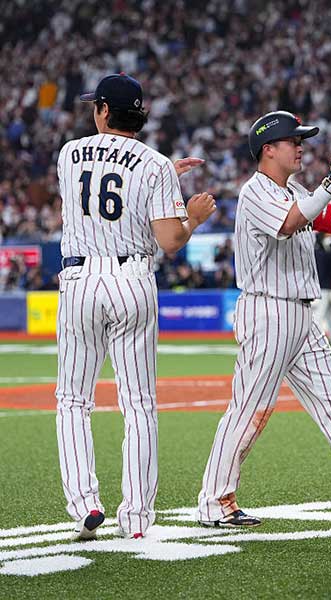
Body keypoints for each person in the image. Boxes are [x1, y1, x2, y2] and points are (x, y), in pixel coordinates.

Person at [196, 111, 331, 528]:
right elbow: (289, 223)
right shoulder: (256, 192)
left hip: (299, 312)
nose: (301, 146)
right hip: (268, 311)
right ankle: (214, 500)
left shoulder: (292, 187)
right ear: (268, 149)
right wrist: (329, 184)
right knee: (250, 410)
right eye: (292, 140)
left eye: (301, 139)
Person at [55, 73, 216, 540]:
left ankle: (85, 503)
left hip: (82, 280)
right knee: (139, 404)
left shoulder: (68, 154)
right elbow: (170, 240)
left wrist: (159, 176)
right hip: (131, 281)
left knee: (72, 401)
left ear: (104, 110)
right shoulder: (156, 165)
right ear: (140, 115)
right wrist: (192, 215)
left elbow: (105, 180)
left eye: (95, 106)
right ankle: (138, 518)